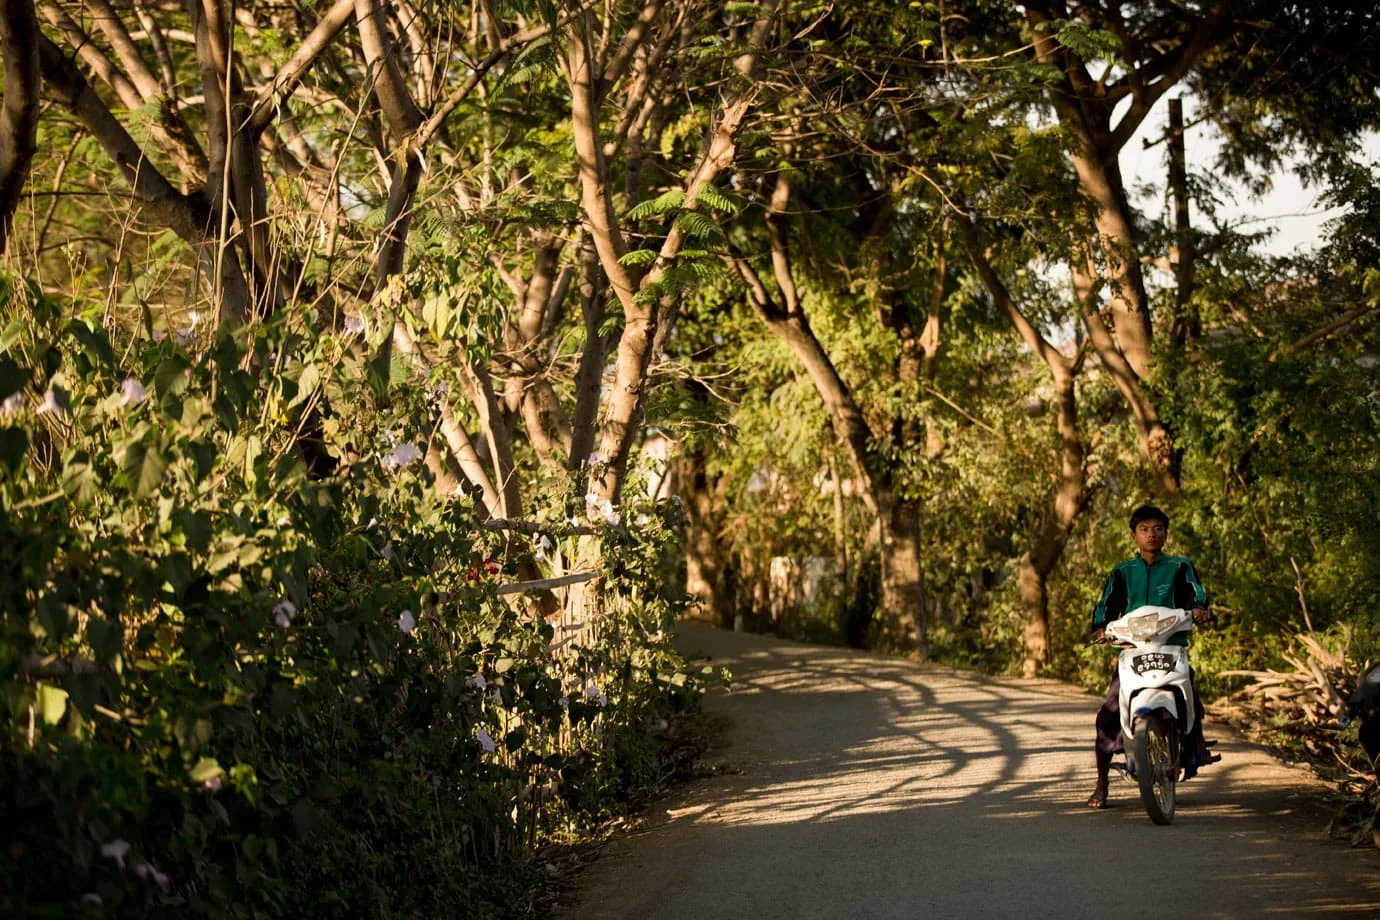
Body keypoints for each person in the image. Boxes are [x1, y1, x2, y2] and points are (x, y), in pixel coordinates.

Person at [1086, 504, 1218, 809]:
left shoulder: (1180, 566)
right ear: (1134, 535)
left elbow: (1195, 594)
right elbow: (1106, 605)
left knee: (1192, 697)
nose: (1152, 534)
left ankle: (1196, 746)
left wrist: (1199, 609)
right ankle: (1102, 782)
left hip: (1170, 647)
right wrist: (1100, 628)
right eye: (1144, 529)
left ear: (1166, 534)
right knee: (1108, 713)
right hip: (1134, 652)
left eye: (1158, 528)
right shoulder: (1122, 571)